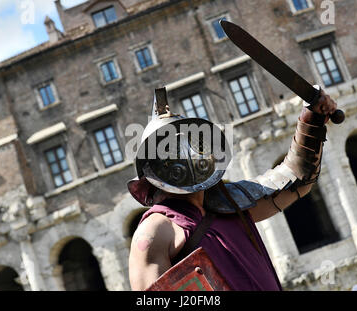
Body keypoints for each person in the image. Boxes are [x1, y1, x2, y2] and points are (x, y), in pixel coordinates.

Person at [127, 87, 338, 291]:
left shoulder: (229, 202)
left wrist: (313, 119)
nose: (187, 153)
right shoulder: (154, 232)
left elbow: (298, 178)